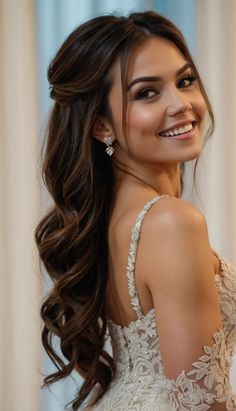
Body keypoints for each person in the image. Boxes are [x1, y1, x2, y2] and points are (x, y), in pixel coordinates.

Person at [35, 11, 236, 410]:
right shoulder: (172, 222)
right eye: (146, 93)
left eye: (185, 81)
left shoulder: (111, 219)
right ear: (101, 126)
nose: (181, 104)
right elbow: (199, 404)